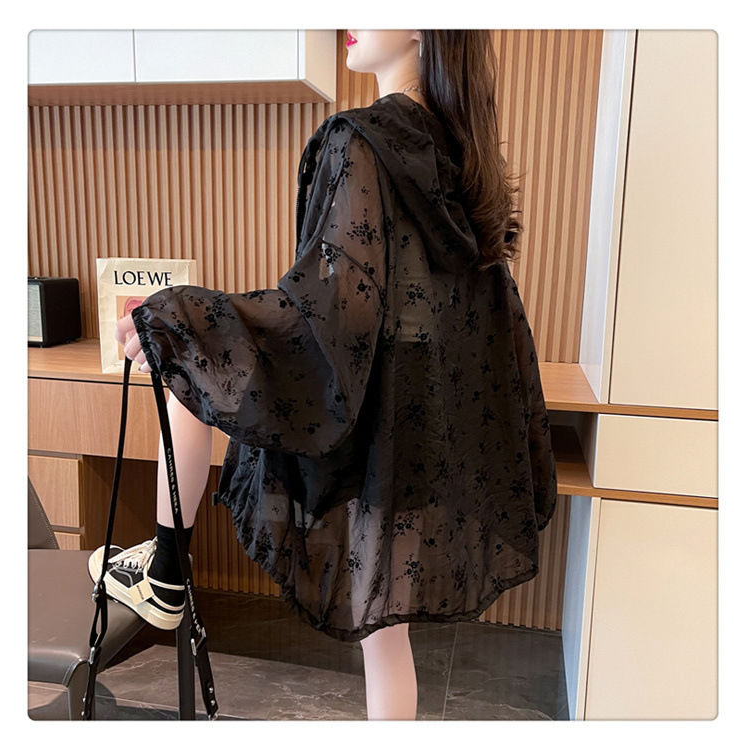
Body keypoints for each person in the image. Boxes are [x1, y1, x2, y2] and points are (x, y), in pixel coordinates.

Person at [90, 29, 558, 721]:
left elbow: (333, 306)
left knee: (190, 347)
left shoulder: (359, 140)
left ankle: (166, 572)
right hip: (429, 422)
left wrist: (182, 315)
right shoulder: (462, 153)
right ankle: (161, 571)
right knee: (386, 635)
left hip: (368, 416)